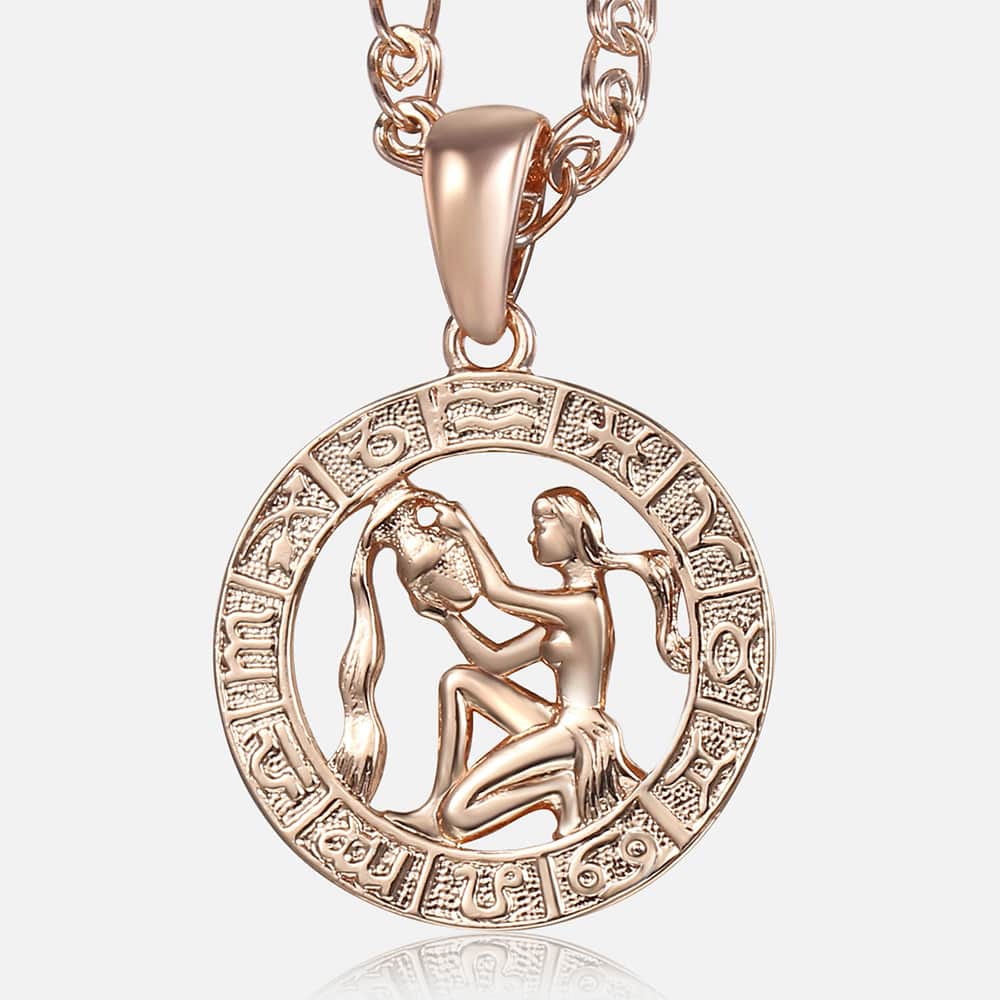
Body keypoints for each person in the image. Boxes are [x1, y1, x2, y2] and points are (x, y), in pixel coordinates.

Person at [385, 486, 687, 844]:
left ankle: (559, 789)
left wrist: (464, 528)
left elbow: (501, 595)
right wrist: (447, 618)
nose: (532, 537)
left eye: (541, 525)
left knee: (457, 818)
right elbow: (494, 661)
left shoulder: (582, 607)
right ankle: (433, 804)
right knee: (459, 681)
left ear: (572, 532)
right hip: (559, 722)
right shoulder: (561, 615)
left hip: (581, 732)